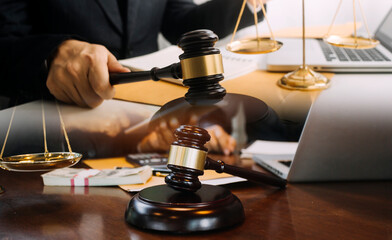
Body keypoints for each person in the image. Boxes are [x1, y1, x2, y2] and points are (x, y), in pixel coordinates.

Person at [0, 0, 268, 155]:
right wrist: (51, 54)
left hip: (149, 124)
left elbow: (179, 22)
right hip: (54, 134)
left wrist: (240, 4)